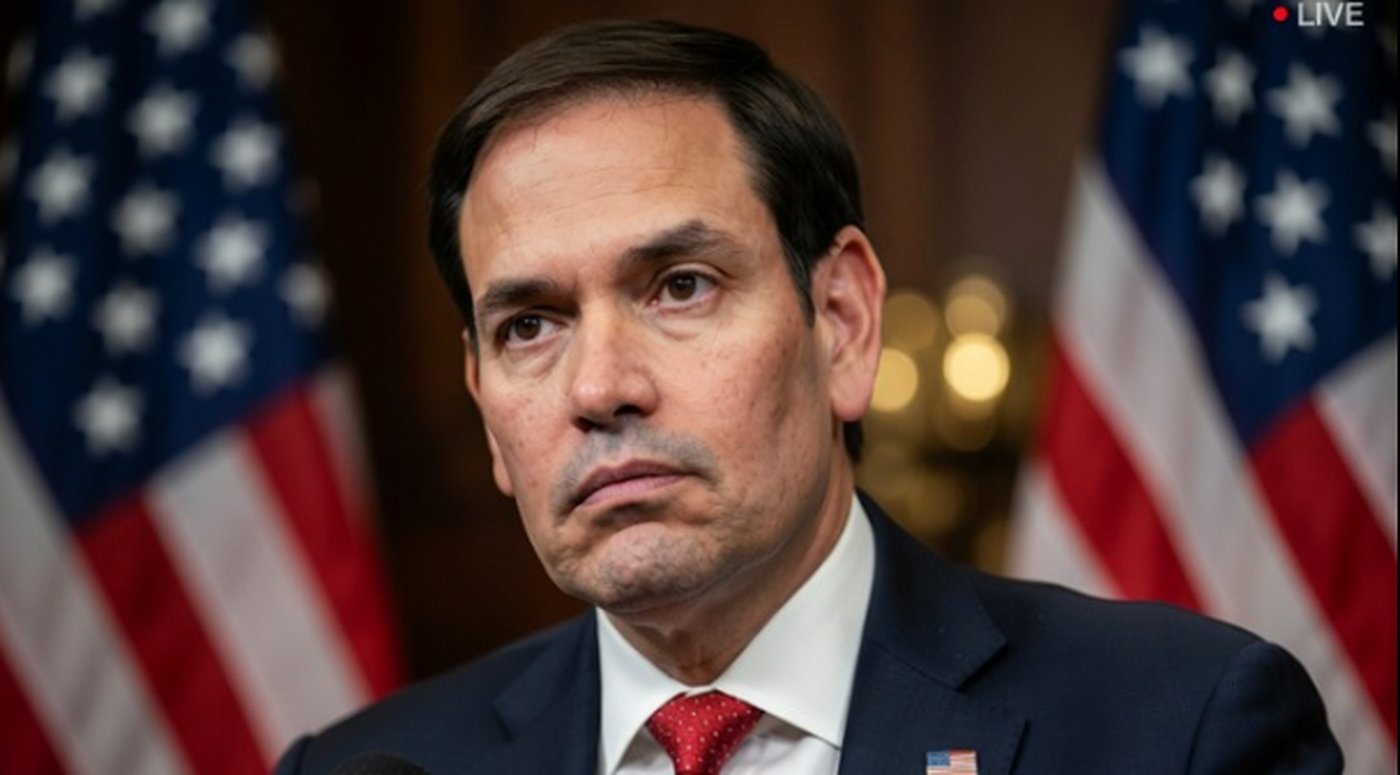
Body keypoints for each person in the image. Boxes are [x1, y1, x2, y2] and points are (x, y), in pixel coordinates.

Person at [276, 19, 1342, 775]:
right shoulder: (374, 767)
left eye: (679, 287)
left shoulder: (1179, 731)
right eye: (529, 326)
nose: (598, 387)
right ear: (484, 407)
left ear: (840, 321)